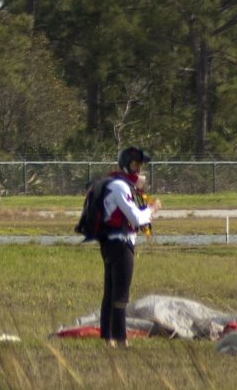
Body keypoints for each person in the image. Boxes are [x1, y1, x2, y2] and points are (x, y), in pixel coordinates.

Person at [99, 146, 162, 347]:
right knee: (120, 294)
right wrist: (152, 210)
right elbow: (135, 217)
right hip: (120, 243)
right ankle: (121, 339)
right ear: (125, 166)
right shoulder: (120, 186)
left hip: (111, 242)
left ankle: (108, 339)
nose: (138, 170)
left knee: (110, 291)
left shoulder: (117, 184)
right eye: (135, 165)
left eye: (140, 166)